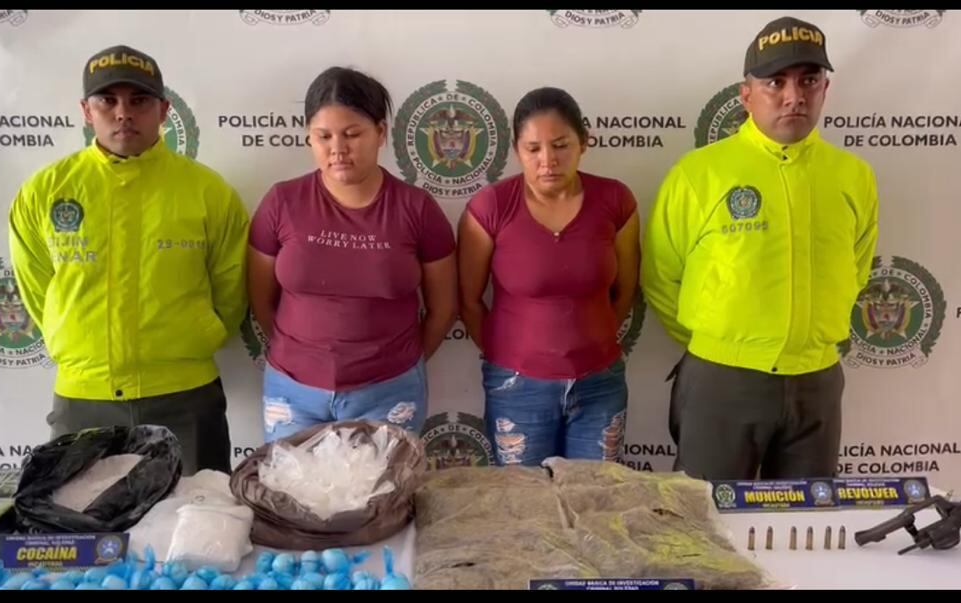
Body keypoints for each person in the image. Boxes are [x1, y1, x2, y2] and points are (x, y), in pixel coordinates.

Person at [641, 16, 879, 480]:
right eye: (776, 82)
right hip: (722, 379)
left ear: (825, 89)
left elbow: (858, 266)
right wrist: (722, 343)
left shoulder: (853, 176)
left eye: (808, 80)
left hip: (817, 380)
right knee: (706, 517)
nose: (794, 96)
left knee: (805, 518)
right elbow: (662, 275)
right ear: (746, 95)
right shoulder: (699, 174)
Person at [8, 45, 250, 474]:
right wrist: (75, 340)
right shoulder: (45, 191)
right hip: (83, 397)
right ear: (86, 110)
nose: (123, 113)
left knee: (198, 515)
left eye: (139, 101)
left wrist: (201, 335)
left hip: (185, 396)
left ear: (164, 110)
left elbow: (230, 288)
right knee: (80, 515)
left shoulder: (208, 192)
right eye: (108, 100)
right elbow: (36, 286)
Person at [248, 66, 457, 441]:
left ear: (380, 132)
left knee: (383, 483)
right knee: (291, 481)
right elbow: (261, 300)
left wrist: (398, 364)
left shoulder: (417, 208)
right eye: (323, 136)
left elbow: (443, 308)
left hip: (389, 392)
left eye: (352, 134)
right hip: (292, 391)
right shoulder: (281, 202)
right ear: (309, 137)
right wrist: (302, 355)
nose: (338, 149)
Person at [458, 87, 640, 466]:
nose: (548, 161)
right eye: (533, 149)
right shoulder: (491, 207)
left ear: (583, 142)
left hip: (600, 384)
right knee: (526, 499)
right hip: (516, 387)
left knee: (594, 495)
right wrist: (509, 356)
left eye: (560, 145)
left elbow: (626, 289)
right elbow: (469, 300)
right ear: (517, 151)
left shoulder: (616, 201)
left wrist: (594, 340)